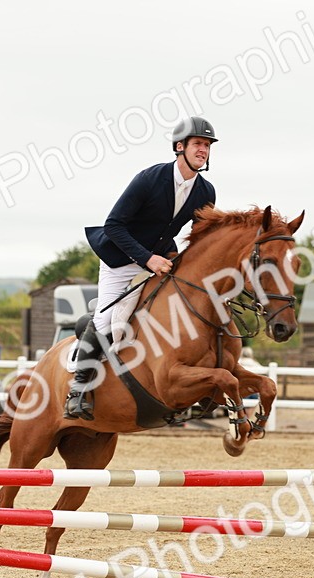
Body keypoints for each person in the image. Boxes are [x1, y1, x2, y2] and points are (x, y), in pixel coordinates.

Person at [64, 116, 219, 420]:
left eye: (208, 145)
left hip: (161, 257)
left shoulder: (206, 191)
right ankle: (77, 389)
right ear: (180, 147)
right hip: (120, 257)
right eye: (198, 143)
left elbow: (198, 238)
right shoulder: (150, 179)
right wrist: (148, 259)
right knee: (108, 319)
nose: (204, 150)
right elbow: (114, 225)